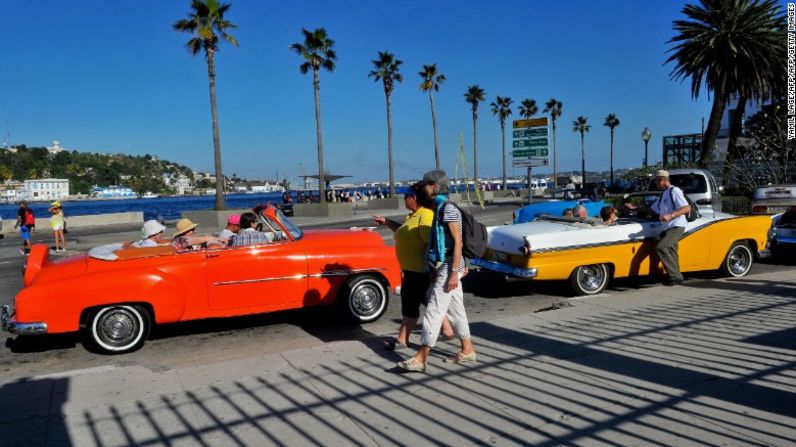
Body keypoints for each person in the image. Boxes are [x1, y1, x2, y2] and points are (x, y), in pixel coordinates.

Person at [398, 170, 476, 372]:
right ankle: (468, 350)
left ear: (435, 186)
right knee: (457, 310)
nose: (423, 188)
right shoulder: (440, 207)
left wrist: (452, 272)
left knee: (434, 310)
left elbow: (458, 242)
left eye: (425, 184)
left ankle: (421, 357)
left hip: (449, 267)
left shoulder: (447, 209)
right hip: (447, 266)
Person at [374, 182, 453, 351]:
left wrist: (432, 269)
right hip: (411, 270)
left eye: (406, 197)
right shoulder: (413, 216)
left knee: (414, 306)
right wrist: (386, 221)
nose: (404, 200)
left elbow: (430, 244)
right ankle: (446, 330)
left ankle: (404, 340)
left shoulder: (425, 215)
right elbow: (404, 230)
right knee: (427, 302)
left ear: (414, 198)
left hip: (421, 271)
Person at [651, 170, 691, 286]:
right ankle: (675, 275)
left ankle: (675, 276)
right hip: (668, 227)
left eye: (655, 181)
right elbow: (653, 209)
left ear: (661, 180)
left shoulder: (675, 191)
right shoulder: (664, 194)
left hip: (677, 225)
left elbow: (686, 208)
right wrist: (634, 208)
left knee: (661, 247)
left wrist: (670, 215)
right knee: (672, 250)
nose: (655, 183)